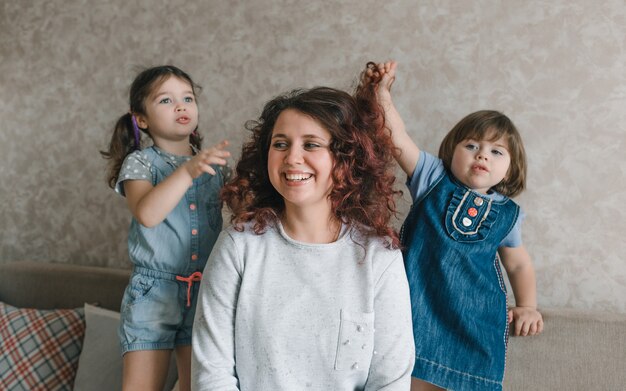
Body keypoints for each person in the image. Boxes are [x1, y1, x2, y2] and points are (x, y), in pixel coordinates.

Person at [191, 85, 415, 390]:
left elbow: (390, 381)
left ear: (346, 158)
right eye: (280, 143)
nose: (292, 157)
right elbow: (211, 375)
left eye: (311, 144)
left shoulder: (380, 256)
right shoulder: (237, 246)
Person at [363, 61, 543, 391]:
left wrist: (527, 306)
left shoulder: (508, 214)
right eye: (472, 145)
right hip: (417, 303)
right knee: (404, 374)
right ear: (452, 150)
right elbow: (397, 136)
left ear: (511, 167)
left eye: (496, 151)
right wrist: (382, 95)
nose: (482, 155)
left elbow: (518, 263)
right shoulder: (431, 177)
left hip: (477, 315)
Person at [101, 65, 231, 391]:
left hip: (204, 291)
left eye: (187, 97)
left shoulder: (213, 165)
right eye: (165, 100)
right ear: (141, 119)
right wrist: (189, 171)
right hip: (153, 293)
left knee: (196, 386)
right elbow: (147, 213)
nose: (180, 106)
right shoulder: (141, 163)